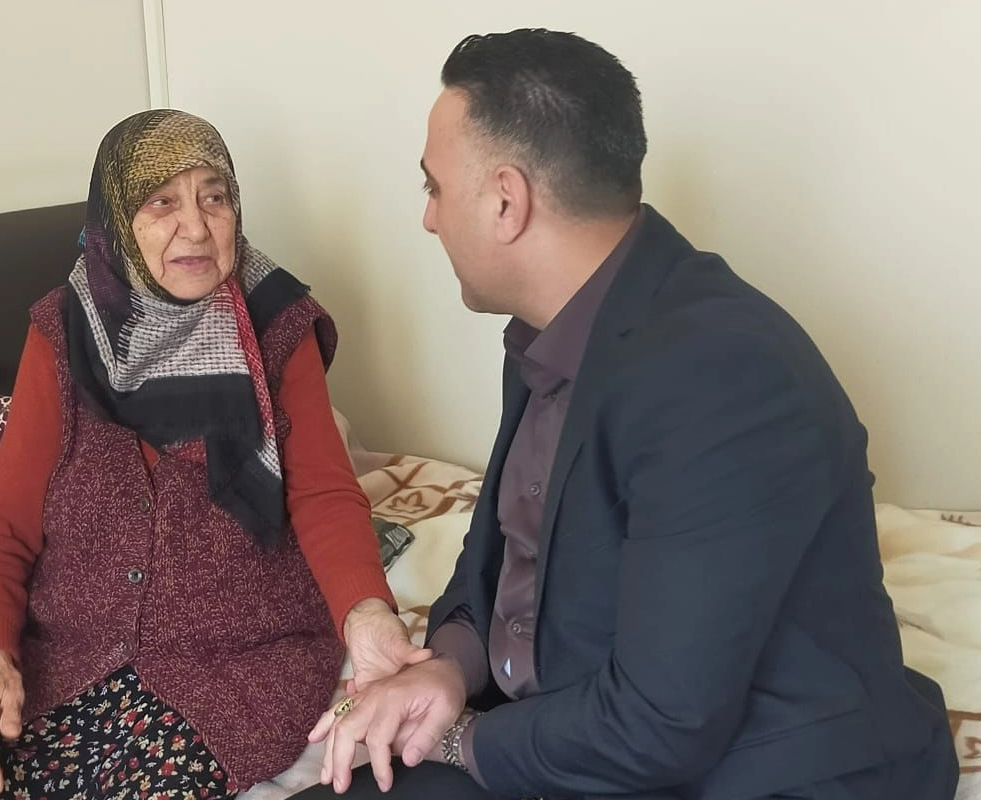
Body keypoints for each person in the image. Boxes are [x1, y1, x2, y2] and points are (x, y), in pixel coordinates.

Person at [299, 28, 959, 800]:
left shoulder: (726, 379)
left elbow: (662, 725)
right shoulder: (553, 328)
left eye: (434, 188)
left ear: (506, 201)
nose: (429, 218)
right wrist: (447, 670)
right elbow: (500, 557)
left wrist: (452, 739)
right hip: (586, 725)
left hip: (748, 772)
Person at [0, 109, 427, 800]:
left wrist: (366, 614)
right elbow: (2, 525)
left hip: (234, 662)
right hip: (67, 659)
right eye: (161, 203)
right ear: (115, 222)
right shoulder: (65, 331)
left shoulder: (276, 324)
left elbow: (323, 494)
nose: (196, 227)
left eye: (214, 197)